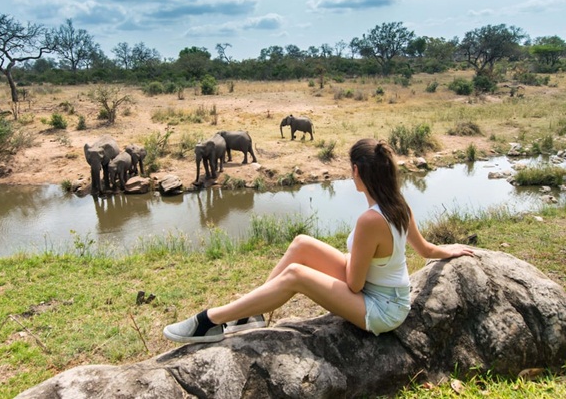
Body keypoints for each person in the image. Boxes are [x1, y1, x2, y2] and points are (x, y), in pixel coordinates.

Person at [163, 138, 475, 343]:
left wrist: (342, 262)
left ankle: (209, 321)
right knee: (302, 244)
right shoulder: (399, 205)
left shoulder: (370, 219)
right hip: (385, 293)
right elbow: (425, 250)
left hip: (382, 310)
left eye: (350, 170)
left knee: (298, 274)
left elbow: (354, 284)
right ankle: (249, 316)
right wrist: (447, 250)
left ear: (356, 170)